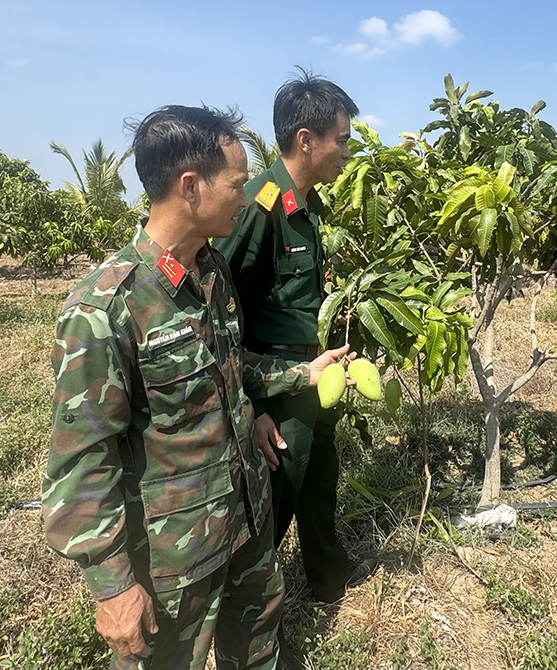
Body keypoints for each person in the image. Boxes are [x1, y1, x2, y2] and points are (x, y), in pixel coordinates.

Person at [42, 105, 353, 670]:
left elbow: (232, 366)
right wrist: (113, 587)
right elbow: (80, 464)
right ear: (190, 187)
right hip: (174, 558)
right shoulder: (106, 308)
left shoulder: (211, 273)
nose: (244, 195)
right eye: (236, 184)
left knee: (261, 649)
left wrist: (302, 374)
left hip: (245, 525)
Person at [212, 70, 364, 602]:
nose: (348, 150)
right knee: (275, 493)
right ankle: (251, 611)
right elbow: (218, 310)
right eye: (342, 140)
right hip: (276, 378)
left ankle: (328, 579)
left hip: (313, 372)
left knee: (321, 480)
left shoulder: (310, 205)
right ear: (307, 140)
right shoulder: (259, 204)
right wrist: (251, 404)